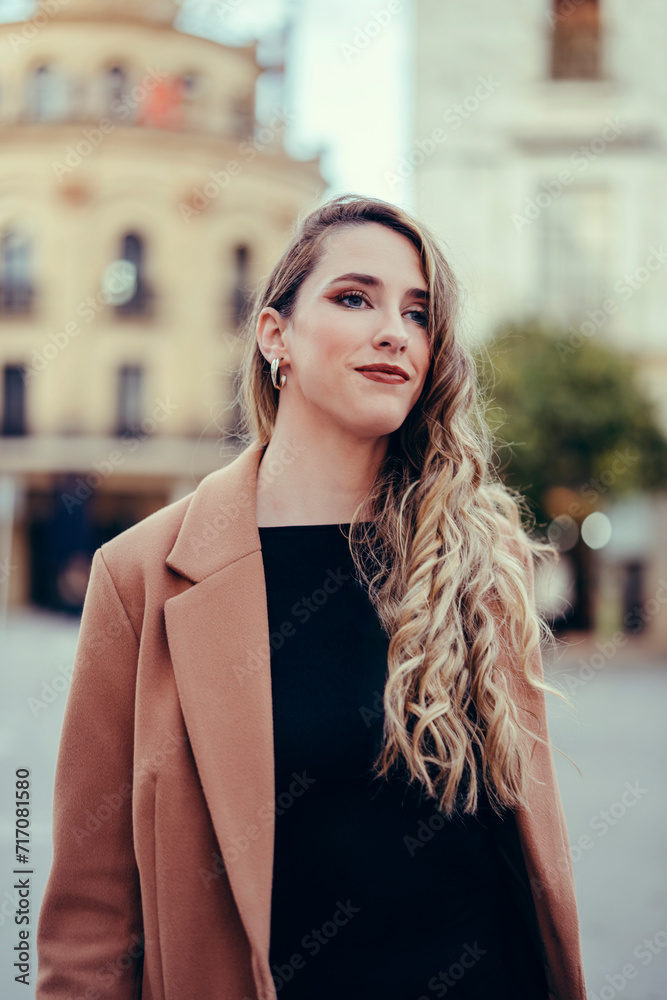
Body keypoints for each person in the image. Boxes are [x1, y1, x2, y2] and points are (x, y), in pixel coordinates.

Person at [36, 193, 588, 1000]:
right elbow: (89, 920)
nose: (394, 330)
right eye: (354, 297)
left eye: (418, 313)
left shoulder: (479, 555)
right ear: (275, 337)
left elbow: (515, 847)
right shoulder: (143, 575)